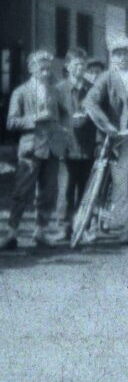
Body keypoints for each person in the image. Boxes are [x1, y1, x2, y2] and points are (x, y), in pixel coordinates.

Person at [84, 36, 128, 243]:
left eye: (126, 53)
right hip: (118, 142)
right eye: (117, 54)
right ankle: (124, 226)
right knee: (120, 185)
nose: (122, 57)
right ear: (112, 57)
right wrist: (107, 126)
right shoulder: (105, 78)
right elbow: (90, 102)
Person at [1, 50, 70, 249]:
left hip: (52, 149)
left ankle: (40, 231)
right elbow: (11, 122)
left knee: (49, 192)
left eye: (48, 69)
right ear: (32, 69)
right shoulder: (21, 92)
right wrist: (35, 118)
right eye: (42, 69)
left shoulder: (54, 91)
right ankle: (11, 232)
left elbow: (64, 113)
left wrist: (64, 129)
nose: (46, 73)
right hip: (30, 149)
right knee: (21, 191)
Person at [53, 48, 97, 243]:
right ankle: (64, 228)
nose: (80, 68)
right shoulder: (58, 90)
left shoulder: (92, 89)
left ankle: (83, 227)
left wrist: (98, 142)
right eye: (76, 64)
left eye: (83, 64)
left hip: (88, 147)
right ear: (68, 66)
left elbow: (99, 117)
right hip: (66, 147)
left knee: (86, 190)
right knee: (65, 190)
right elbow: (53, 118)